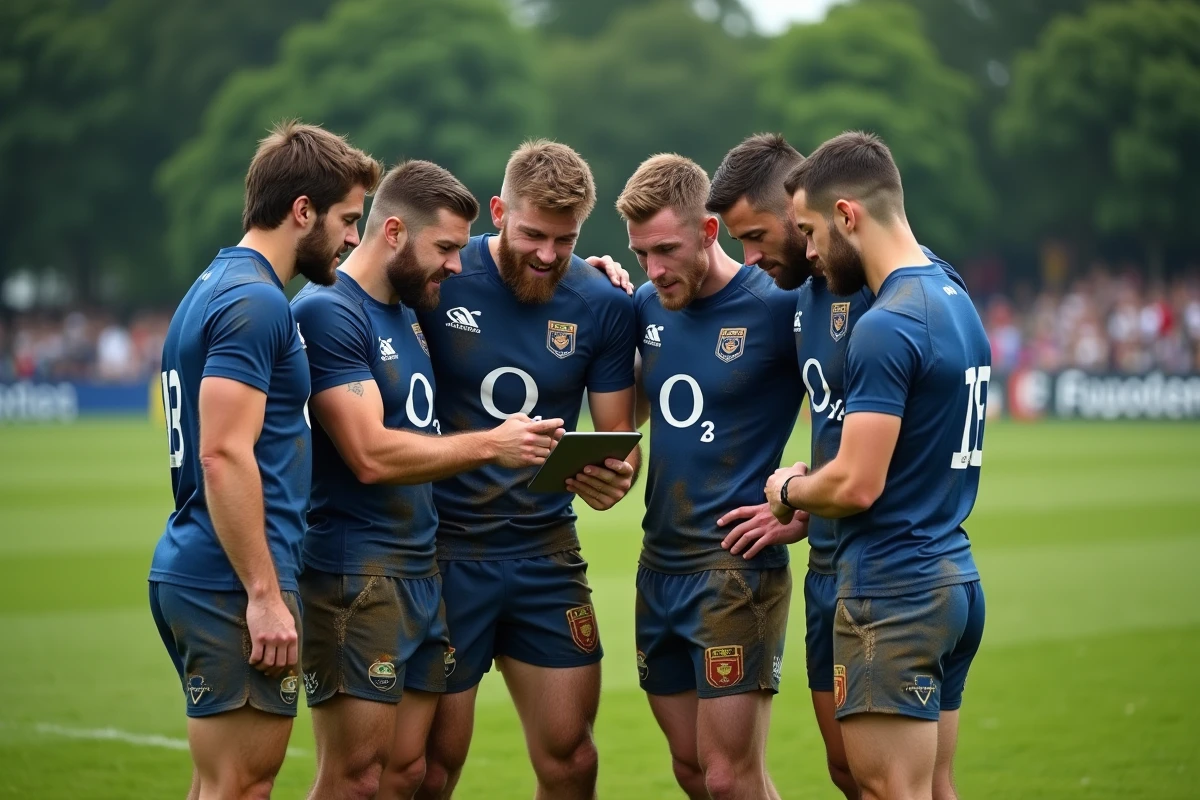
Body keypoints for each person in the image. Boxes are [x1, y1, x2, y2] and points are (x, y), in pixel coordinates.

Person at [290, 160, 567, 800]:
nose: (455, 264)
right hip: (355, 573)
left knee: (407, 774)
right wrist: (492, 446)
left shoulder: (409, 310)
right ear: (392, 231)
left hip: (419, 571)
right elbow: (368, 454)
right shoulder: (330, 313)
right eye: (444, 247)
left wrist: (597, 269)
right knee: (353, 778)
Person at [148, 120, 380, 800]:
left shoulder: (215, 284)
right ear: (301, 211)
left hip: (204, 567)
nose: (352, 238)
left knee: (219, 784)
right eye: (346, 219)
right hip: (230, 579)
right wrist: (263, 595)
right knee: (243, 786)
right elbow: (222, 454)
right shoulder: (255, 303)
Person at [415, 140, 640, 800]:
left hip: (545, 554)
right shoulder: (442, 277)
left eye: (564, 240)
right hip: (444, 553)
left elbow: (620, 439)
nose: (547, 253)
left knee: (572, 761)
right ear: (498, 211)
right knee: (431, 768)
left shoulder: (600, 301)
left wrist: (614, 476)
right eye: (533, 234)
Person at [768, 131, 988, 800]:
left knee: (887, 790)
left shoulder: (885, 323)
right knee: (932, 787)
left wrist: (789, 489)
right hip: (952, 577)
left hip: (893, 589)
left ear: (846, 215)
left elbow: (856, 483)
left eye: (809, 230)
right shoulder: (953, 296)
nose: (806, 251)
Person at [617, 153, 805, 800]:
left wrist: (805, 501)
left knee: (731, 777)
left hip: (734, 567)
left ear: (710, 231)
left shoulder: (778, 305)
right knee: (694, 771)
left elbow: (849, 401)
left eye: (666, 249)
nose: (655, 269)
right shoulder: (645, 306)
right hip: (658, 563)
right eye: (641, 253)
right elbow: (631, 414)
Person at [705, 133, 867, 799]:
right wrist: (807, 500)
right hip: (828, 561)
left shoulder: (886, 294)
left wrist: (808, 486)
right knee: (847, 771)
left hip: (886, 570)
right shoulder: (803, 298)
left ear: (800, 210)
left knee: (893, 779)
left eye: (758, 234)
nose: (750, 257)